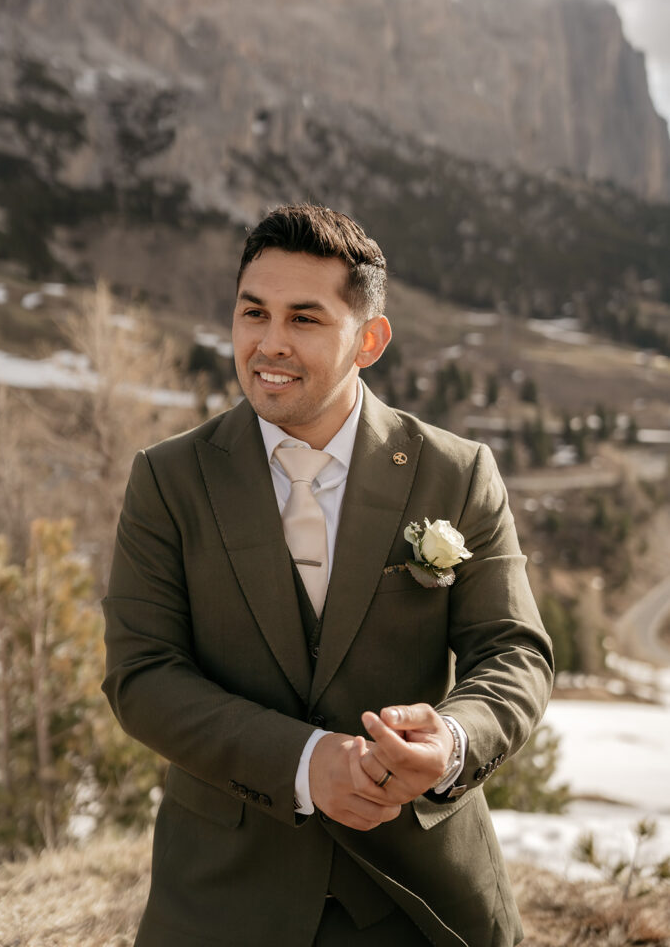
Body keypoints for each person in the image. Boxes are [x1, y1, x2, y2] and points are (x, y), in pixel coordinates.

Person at [102, 203, 553, 947]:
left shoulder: (458, 472)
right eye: (254, 313)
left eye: (304, 319)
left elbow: (514, 652)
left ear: (368, 340)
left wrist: (451, 740)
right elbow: (142, 674)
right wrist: (305, 763)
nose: (269, 343)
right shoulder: (167, 479)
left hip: (422, 898)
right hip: (221, 900)